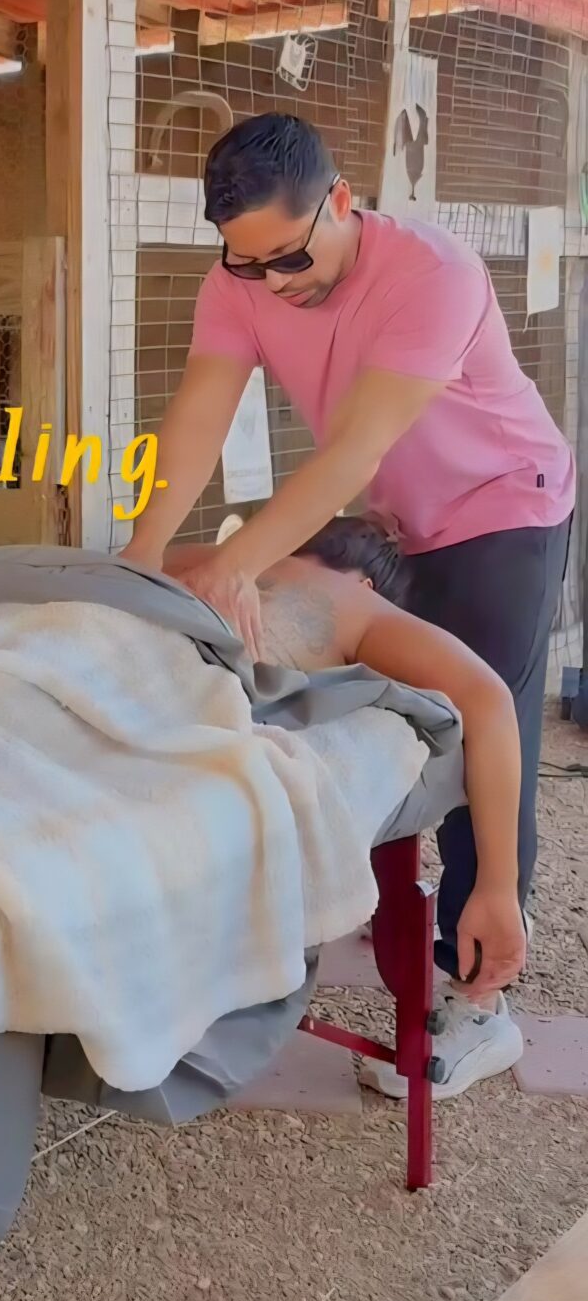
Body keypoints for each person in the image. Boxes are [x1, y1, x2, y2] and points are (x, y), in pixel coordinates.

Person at [123, 113, 574, 1099]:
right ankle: (370, 890)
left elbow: (347, 454)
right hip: (388, 519)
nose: (273, 284)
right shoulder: (238, 280)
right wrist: (143, 555)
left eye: (288, 258)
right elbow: (196, 419)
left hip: (501, 504)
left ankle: (481, 992)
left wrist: (237, 562)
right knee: (374, 704)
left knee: (472, 720)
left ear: (340, 199)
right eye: (247, 266)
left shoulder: (432, 274)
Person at [168, 512, 528, 1091]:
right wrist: (498, 887)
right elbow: (488, 699)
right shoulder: (353, 600)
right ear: (369, 585)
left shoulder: (192, 557)